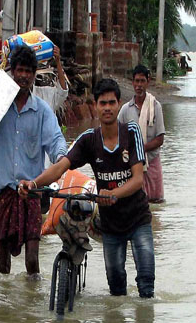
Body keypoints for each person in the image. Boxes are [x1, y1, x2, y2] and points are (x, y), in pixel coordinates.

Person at [19, 78, 155, 298]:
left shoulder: (131, 132)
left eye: (112, 102)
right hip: (110, 224)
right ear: (96, 106)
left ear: (119, 104)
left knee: (147, 285)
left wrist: (112, 194)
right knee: (116, 289)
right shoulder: (88, 140)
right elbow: (60, 167)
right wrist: (33, 184)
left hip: (138, 218)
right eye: (103, 103)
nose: (108, 108)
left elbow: (138, 179)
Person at [0, 45, 68, 277]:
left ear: (34, 75)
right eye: (19, 70)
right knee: (2, 267)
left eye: (28, 72)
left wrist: (62, 160)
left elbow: (55, 142)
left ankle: (31, 308)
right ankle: (4, 308)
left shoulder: (42, 111)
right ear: (12, 72)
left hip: (31, 193)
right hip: (4, 193)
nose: (23, 76)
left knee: (32, 262)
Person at [118, 64, 165, 203]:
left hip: (152, 161)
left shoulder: (156, 107)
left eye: (142, 81)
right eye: (136, 81)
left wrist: (140, 149)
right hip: (132, 164)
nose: (139, 85)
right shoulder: (126, 109)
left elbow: (160, 139)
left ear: (147, 82)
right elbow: (117, 134)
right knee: (135, 201)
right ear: (132, 83)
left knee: (156, 201)